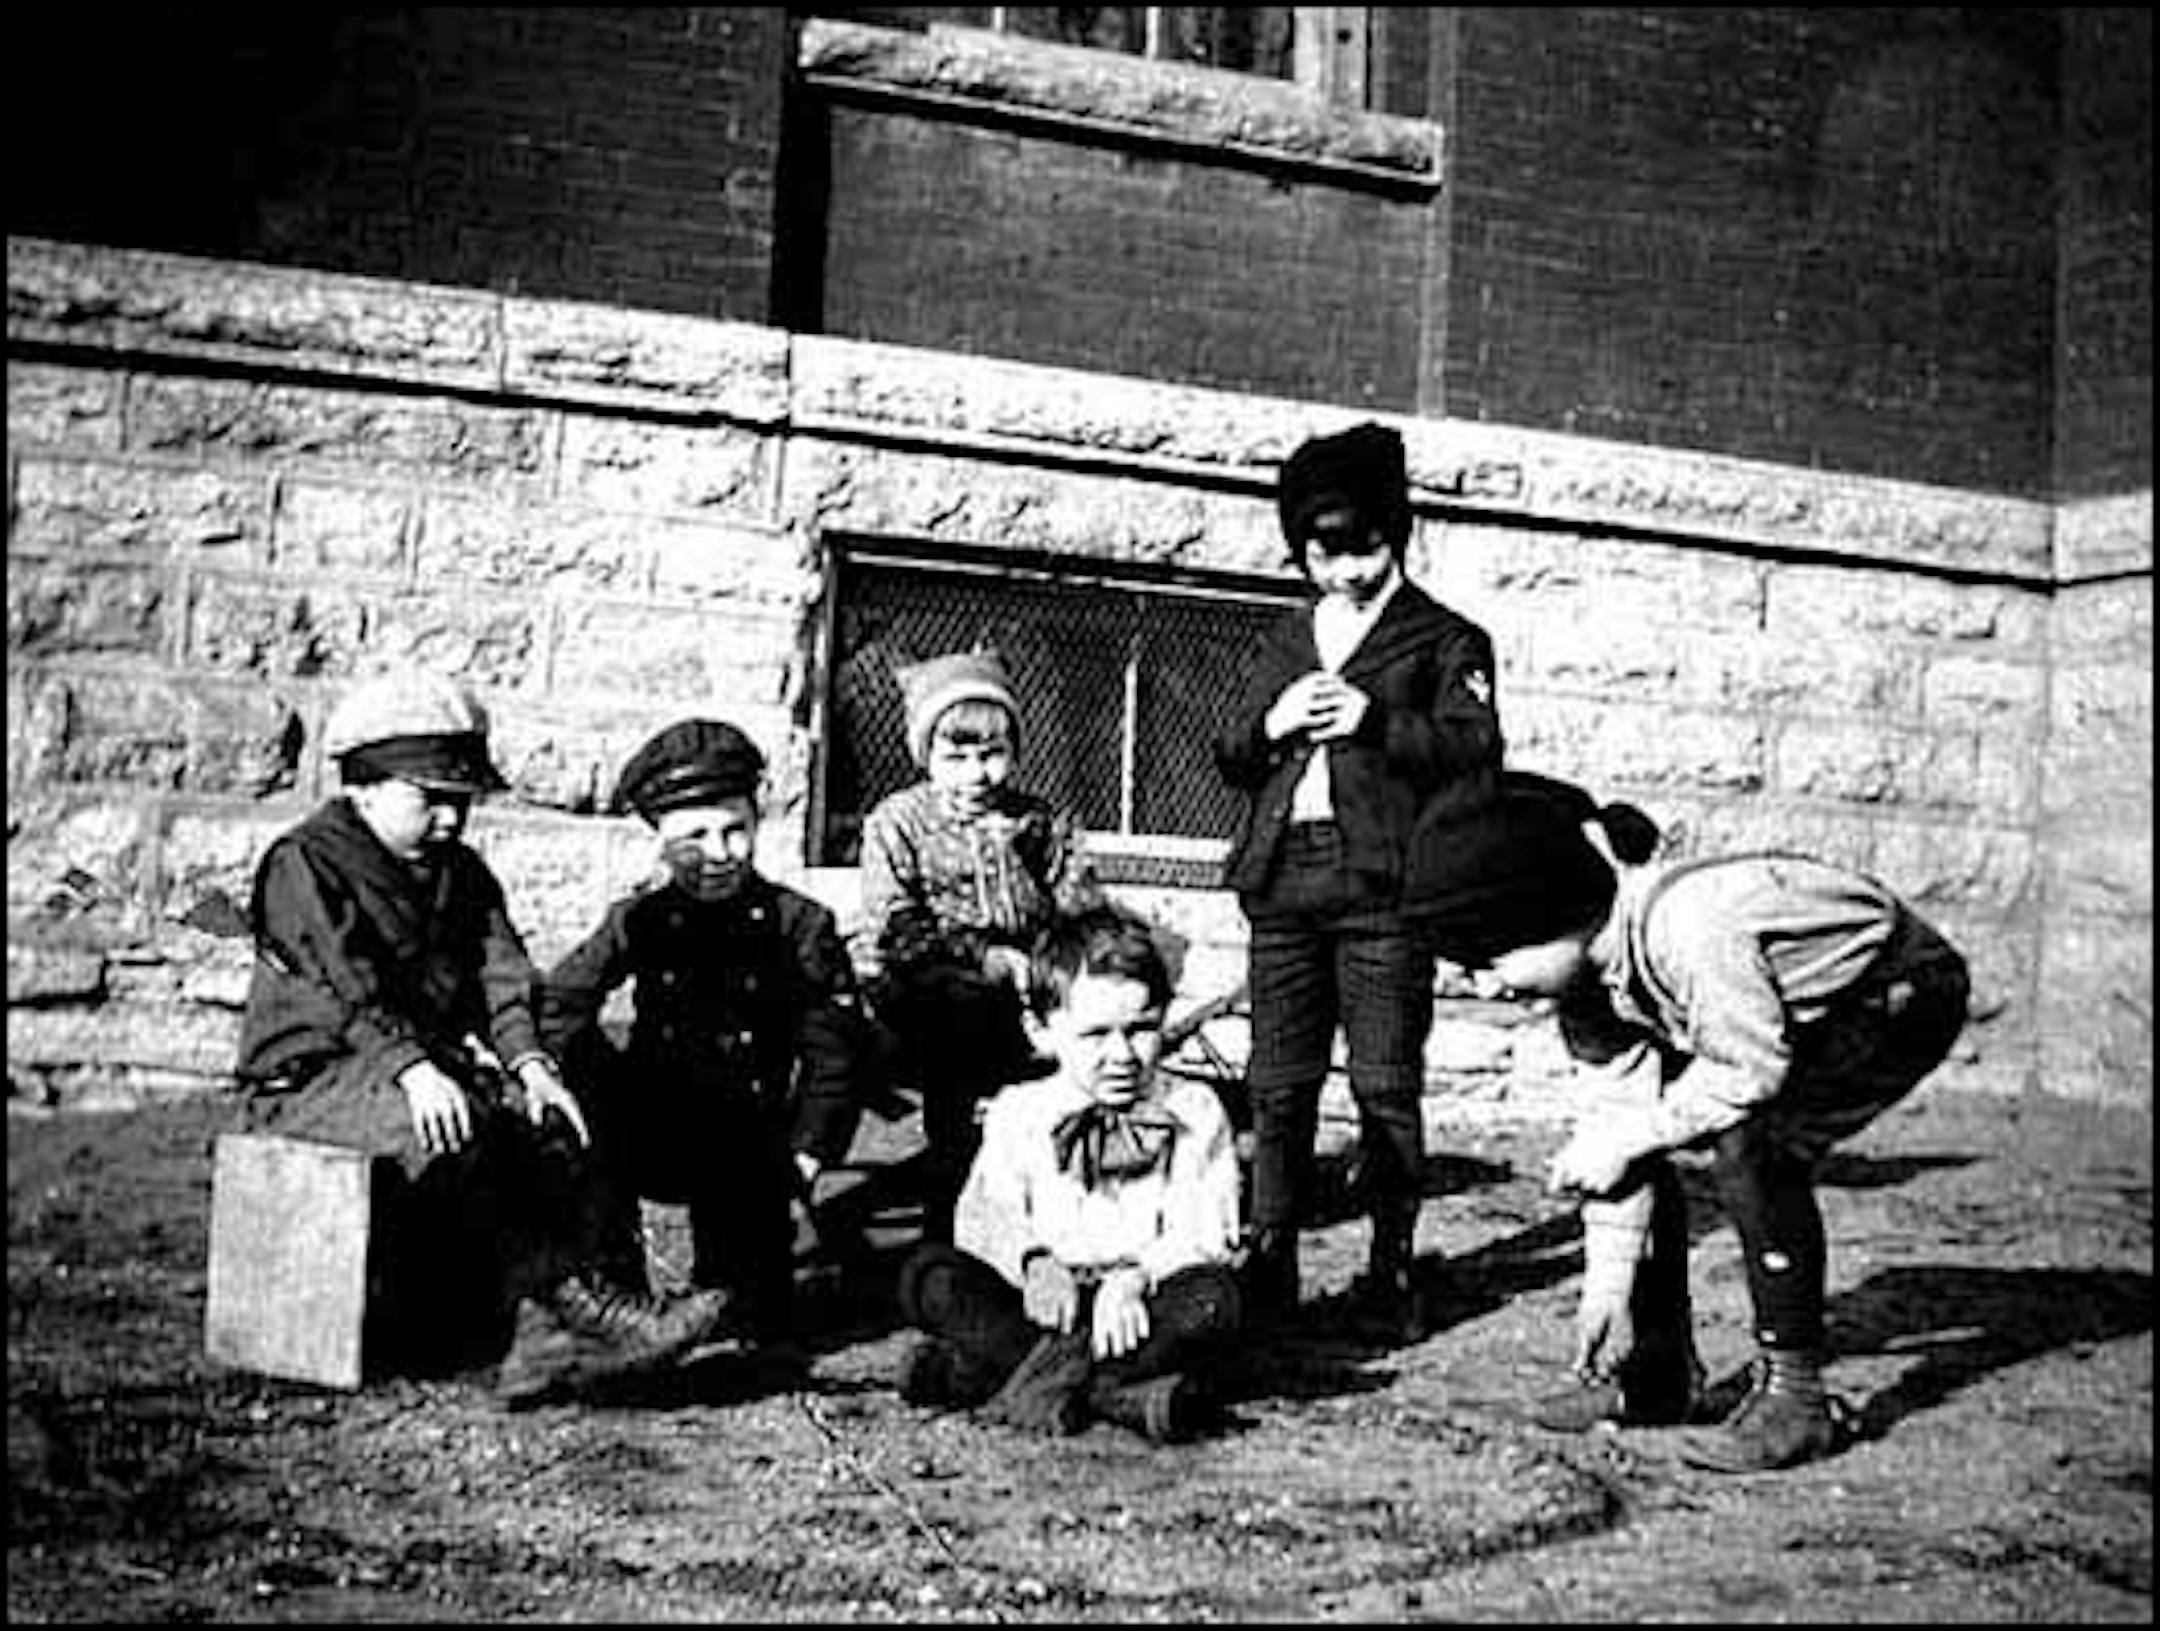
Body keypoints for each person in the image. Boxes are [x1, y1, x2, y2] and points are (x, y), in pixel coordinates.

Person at [1413, 768, 1972, 1473]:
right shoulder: (1590, 990)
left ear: (1554, 909)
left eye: (1489, 956)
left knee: (1752, 1145)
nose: (1485, 983)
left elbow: (1750, 1071)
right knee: (1658, 1127)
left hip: (1896, 990)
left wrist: (1630, 1137)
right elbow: (1616, 1125)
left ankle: (1795, 1401)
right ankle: (1656, 1371)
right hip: (1774, 1019)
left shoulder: (1691, 926)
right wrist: (1609, 1289)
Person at [232, 669, 733, 1408]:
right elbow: (340, 985)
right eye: (429, 799)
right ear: (362, 786)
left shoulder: (461, 873)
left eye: (459, 801)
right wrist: (411, 1068)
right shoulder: (305, 861)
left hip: (410, 1073)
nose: (450, 821)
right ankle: (576, 1318)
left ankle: (591, 1324)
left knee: (553, 1113)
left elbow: (502, 975)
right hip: (306, 1084)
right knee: (461, 1125)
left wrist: (530, 1062)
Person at [1213, 420, 1504, 1341]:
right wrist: (1272, 724)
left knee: (1384, 1082)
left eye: (1363, 548)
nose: (1344, 571)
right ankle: (1272, 1257)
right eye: (1322, 553)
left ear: (1399, 533)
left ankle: (1389, 1262)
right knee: (1279, 1083)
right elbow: (1228, 752)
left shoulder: (1445, 638)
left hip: (1384, 893)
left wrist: (1376, 718)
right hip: (1284, 884)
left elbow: (1475, 756)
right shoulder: (1287, 635)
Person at [539, 719, 876, 1351]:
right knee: (577, 1117)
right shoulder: (640, 920)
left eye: (734, 830)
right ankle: (616, 1296)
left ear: (757, 825)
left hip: (750, 1143)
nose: (719, 852)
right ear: (660, 845)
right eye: (693, 836)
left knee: (753, 1319)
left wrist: (808, 1151)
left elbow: (835, 1052)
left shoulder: (801, 925)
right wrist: (570, 1079)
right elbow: (559, 1003)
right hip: (654, 1123)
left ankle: (729, 1290)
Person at [892, 903, 1245, 1443]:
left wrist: (1134, 1278)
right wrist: (1034, 1263)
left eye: (1142, 1030)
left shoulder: (1193, 1108)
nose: (1122, 1055)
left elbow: (1203, 1230)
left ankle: (999, 1377)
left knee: (1213, 1301)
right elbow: (986, 1212)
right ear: (1042, 1031)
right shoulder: (1021, 1109)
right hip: (1040, 1304)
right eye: (1096, 1035)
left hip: (1139, 1307)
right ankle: (1118, 1393)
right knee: (928, 1275)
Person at [854, 648, 1100, 1241]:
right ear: (926, 755)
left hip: (1026, 975)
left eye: (991, 756)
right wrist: (983, 957)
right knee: (962, 1032)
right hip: (927, 978)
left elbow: (1079, 904)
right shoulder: (898, 821)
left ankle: (1071, 1202)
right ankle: (952, 1213)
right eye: (955, 756)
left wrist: (1068, 959)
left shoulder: (1038, 822)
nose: (975, 774)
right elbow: (895, 922)